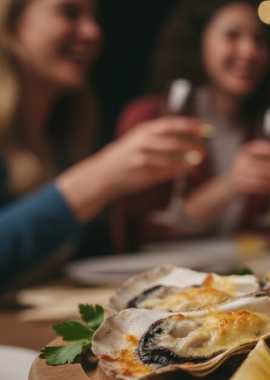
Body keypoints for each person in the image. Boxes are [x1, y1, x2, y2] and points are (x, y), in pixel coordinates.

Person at [0, 0, 206, 288]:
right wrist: (100, 177)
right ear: (13, 24)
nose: (93, 32)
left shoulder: (67, 137)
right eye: (69, 13)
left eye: (94, 18)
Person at [110, 0, 270, 252]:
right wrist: (231, 185)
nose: (250, 51)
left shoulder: (262, 129)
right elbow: (141, 234)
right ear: (198, 41)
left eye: (259, 39)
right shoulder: (151, 118)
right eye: (232, 35)